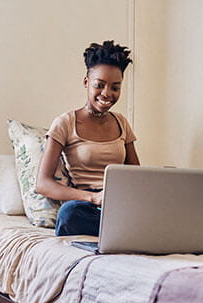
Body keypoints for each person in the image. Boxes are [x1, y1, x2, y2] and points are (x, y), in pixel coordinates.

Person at [36, 40, 140, 236]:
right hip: (86, 208)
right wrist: (93, 198)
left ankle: (130, 230)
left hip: (120, 207)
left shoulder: (122, 123)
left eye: (115, 87)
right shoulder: (65, 123)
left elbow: (137, 177)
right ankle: (130, 233)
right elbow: (43, 184)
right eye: (99, 85)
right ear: (86, 82)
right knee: (69, 214)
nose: (107, 93)